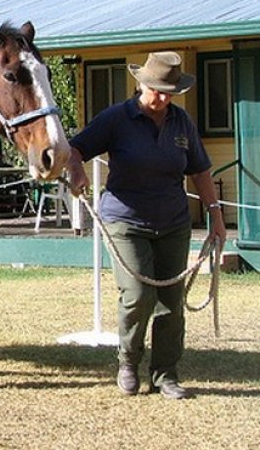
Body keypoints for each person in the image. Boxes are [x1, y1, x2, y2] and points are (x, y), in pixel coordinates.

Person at [67, 51, 227, 400]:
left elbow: (199, 170)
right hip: (124, 220)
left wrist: (215, 217)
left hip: (173, 222)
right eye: (157, 90)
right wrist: (76, 171)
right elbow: (75, 148)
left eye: (170, 91)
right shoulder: (116, 119)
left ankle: (165, 374)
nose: (164, 98)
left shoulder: (181, 122)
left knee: (170, 302)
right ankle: (128, 362)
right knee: (138, 295)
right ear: (141, 84)